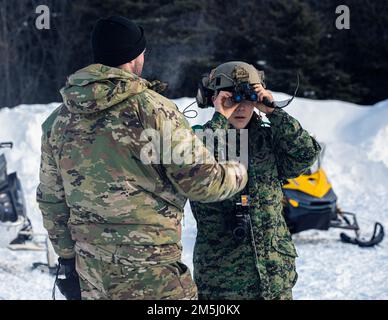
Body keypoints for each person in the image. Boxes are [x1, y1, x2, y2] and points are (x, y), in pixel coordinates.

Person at [36, 17, 248, 300]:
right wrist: (238, 171)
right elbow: (203, 183)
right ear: (136, 56)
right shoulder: (155, 110)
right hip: (152, 273)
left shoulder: (59, 120)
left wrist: (66, 259)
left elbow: (51, 199)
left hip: (92, 273)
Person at [190, 61, 321, 300]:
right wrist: (220, 117)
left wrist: (274, 111)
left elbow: (306, 155)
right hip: (222, 282)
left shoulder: (269, 139)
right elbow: (196, 168)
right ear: (213, 99)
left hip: (274, 278)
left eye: (248, 98)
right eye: (232, 99)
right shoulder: (200, 138)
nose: (240, 107)